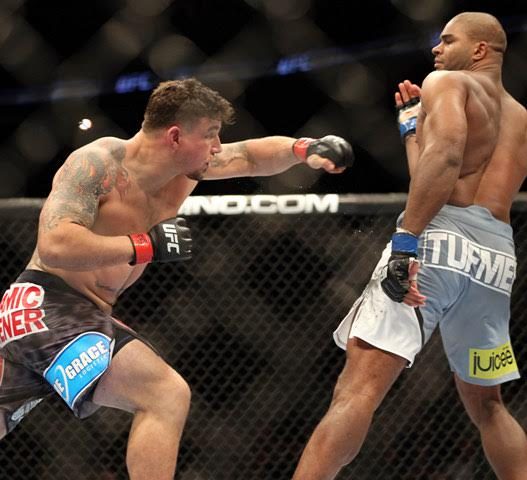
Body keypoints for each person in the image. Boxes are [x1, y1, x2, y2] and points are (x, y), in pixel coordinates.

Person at [0, 77, 354, 480]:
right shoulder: (97, 164)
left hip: (54, 314)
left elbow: (249, 156)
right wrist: (143, 245)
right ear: (174, 136)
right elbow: (55, 244)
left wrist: (304, 149)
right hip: (49, 304)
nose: (218, 146)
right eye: (210, 134)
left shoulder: (185, 168)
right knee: (164, 394)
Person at [292, 12, 527, 480]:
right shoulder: (521, 117)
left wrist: (405, 243)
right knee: (489, 405)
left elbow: (446, 159)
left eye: (448, 40)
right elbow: (445, 171)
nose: (437, 49)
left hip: (435, 244)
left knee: (357, 391)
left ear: (480, 50)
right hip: (495, 259)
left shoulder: (448, 82)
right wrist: (411, 129)